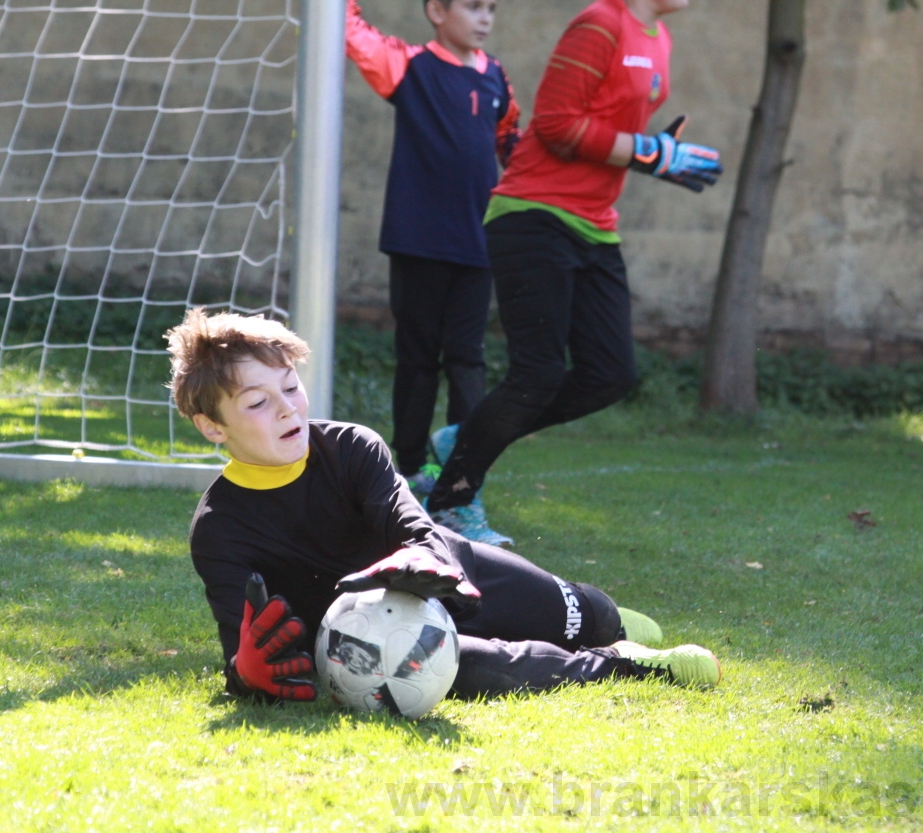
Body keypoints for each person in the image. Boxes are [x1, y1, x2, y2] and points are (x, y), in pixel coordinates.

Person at [166, 308, 720, 702]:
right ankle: (624, 665)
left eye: (291, 387)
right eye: (259, 402)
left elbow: (415, 526)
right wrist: (248, 677)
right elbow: (242, 649)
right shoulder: (219, 531)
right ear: (213, 426)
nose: (288, 409)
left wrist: (426, 559)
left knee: (590, 616)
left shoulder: (351, 447)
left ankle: (608, 625)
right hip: (370, 637)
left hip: (452, 573)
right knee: (475, 666)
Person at [424, 0, 722, 544]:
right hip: (533, 214)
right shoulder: (598, 24)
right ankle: (450, 501)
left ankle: (466, 437)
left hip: (594, 223)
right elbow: (558, 126)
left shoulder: (658, 37)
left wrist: (655, 154)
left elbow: (609, 129)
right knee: (536, 373)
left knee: (610, 374)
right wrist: (645, 151)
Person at [345, 0, 520, 516]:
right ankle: (412, 466)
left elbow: (514, 146)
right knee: (418, 357)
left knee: (468, 358)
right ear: (436, 11)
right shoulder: (408, 64)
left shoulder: (497, 81)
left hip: (477, 242)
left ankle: (464, 472)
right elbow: (349, 27)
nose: (485, 17)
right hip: (417, 240)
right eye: (473, 7)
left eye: (492, 8)